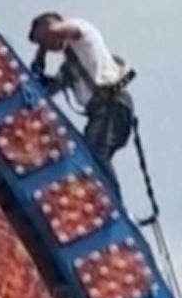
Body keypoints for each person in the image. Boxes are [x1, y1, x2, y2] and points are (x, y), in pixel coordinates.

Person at [26, 12, 137, 191]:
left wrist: (44, 38)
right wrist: (40, 60)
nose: (48, 45)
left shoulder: (81, 31)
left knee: (96, 151)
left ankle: (114, 201)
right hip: (101, 111)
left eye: (45, 40)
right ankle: (105, 193)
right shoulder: (69, 68)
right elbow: (47, 90)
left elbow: (57, 30)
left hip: (112, 103)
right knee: (92, 154)